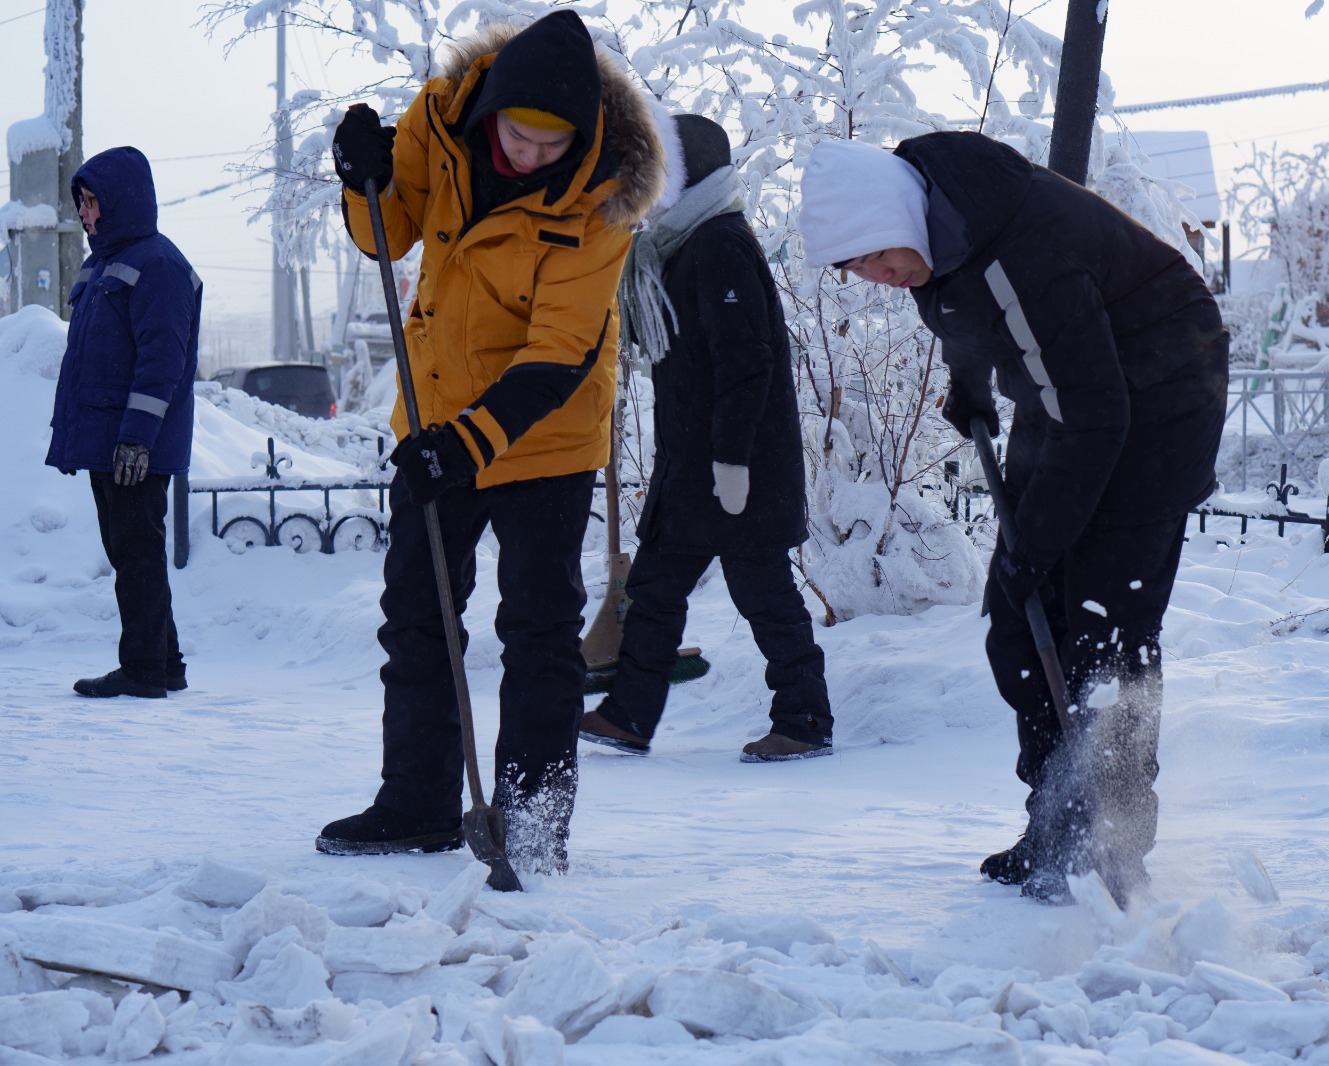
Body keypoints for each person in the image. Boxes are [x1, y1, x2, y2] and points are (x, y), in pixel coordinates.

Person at [799, 132, 1228, 906]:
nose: (877, 276)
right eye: (857, 268)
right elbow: (969, 313)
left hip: (1163, 391)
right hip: (1069, 394)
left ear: (897, 215)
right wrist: (970, 385)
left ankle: (1118, 839)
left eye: (874, 254)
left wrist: (1035, 543)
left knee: (1104, 624)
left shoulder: (1021, 248)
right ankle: (1059, 816)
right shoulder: (940, 234)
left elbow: (1093, 410)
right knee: (1015, 620)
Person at [314, 10, 666, 873]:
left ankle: (534, 821)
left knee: (540, 632)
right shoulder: (440, 122)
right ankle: (415, 804)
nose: (529, 154)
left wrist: (467, 445)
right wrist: (365, 180)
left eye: (552, 143)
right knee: (419, 618)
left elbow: (558, 355)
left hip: (543, 436)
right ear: (491, 108)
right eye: (517, 133)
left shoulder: (602, 200)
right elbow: (385, 235)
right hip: (435, 415)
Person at [578, 115, 834, 763]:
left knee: (764, 593)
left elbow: (745, 363)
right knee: (657, 590)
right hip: (695, 466)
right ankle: (630, 715)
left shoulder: (718, 243)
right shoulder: (681, 244)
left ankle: (804, 720)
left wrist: (732, 462)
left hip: (734, 467)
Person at [47, 146, 202, 701]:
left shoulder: (156, 264)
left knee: (135, 550)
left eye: (92, 202)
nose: (85, 214)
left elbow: (162, 361)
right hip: (110, 441)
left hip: (136, 444)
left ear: (120, 201)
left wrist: (137, 438)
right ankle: (165, 661)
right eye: (82, 203)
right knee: (129, 548)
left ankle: (141, 670)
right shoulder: (103, 264)